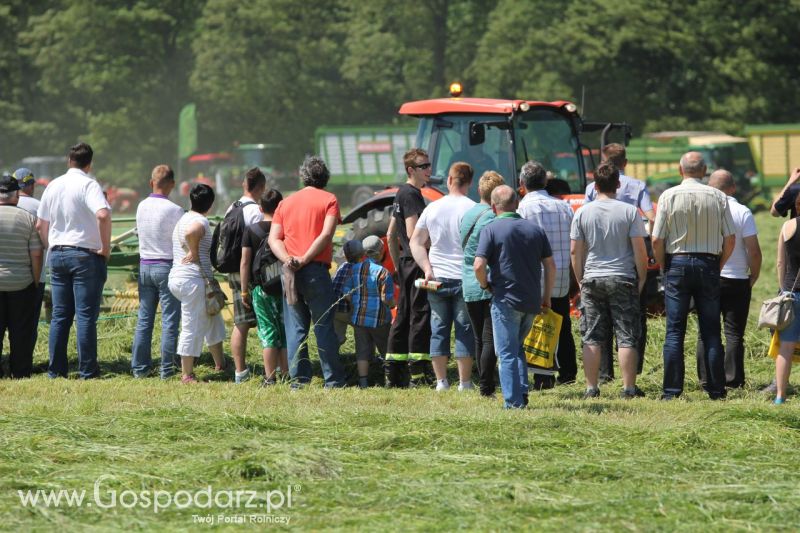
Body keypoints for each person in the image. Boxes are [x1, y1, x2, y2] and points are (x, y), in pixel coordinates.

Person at [652, 152, 735, 400]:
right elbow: (730, 238)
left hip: (676, 263)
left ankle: (671, 391)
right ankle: (717, 389)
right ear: (705, 170)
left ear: (680, 171)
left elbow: (656, 239)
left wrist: (663, 266)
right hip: (708, 262)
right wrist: (718, 264)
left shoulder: (668, 195)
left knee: (674, 331)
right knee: (710, 330)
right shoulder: (718, 196)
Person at [570, 162, 648, 399]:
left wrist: (580, 280)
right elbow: (639, 251)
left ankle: (592, 388)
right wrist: (641, 278)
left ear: (594, 186)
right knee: (626, 335)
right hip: (622, 277)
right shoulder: (629, 212)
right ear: (618, 184)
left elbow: (575, 252)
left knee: (592, 336)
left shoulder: (582, 212)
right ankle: (628, 388)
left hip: (592, 278)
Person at [474, 185, 556, 409]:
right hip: (531, 300)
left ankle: (513, 402)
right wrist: (546, 296)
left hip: (505, 299)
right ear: (516, 204)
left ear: (493, 207)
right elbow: (550, 266)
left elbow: (478, 265)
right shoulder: (535, 230)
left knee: (507, 353)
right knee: (518, 348)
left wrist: (485, 285)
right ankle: (522, 392)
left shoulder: (491, 229)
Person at [268, 156, 346, 388]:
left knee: (295, 329)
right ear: (325, 177)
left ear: (303, 176)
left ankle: (298, 381)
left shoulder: (285, 203)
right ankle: (332, 380)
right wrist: (305, 259)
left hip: (289, 272)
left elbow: (274, 238)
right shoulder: (329, 200)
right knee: (323, 326)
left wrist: (289, 259)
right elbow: (326, 235)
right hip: (315, 271)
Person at [37, 143, 111, 379]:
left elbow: (41, 224)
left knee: (60, 316)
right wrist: (105, 247)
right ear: (89, 164)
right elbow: (103, 214)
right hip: (84, 255)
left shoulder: (53, 185)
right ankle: (87, 370)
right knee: (86, 316)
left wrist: (51, 246)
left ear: (69, 160)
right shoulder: (89, 184)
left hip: (57, 253)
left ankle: (56, 370)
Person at [584, 143, 654, 382]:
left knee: (596, 328)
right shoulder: (637, 188)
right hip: (627, 264)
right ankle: (632, 375)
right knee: (630, 326)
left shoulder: (590, 191)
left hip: (596, 264)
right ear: (625, 162)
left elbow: (582, 230)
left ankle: (602, 376)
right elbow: (651, 217)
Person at [410, 162, 476, 391]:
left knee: (438, 329)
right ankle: (465, 383)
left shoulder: (432, 208)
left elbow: (415, 242)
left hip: (436, 278)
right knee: (464, 330)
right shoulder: (474, 209)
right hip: (463, 278)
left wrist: (427, 268)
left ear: (449, 180)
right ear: (469, 182)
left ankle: (441, 382)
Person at [696, 170, 761, 389]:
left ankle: (706, 378)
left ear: (710, 188)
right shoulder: (743, 212)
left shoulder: (702, 211)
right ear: (732, 188)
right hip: (737, 279)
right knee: (734, 333)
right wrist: (754, 274)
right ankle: (733, 380)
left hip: (708, 276)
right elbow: (753, 251)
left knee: (706, 331)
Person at [517, 160, 576, 387]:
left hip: (533, 278)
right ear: (545, 182)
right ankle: (568, 372)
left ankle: (543, 376)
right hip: (561, 276)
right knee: (563, 325)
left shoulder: (521, 209)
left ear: (522, 183)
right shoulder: (564, 207)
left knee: (535, 327)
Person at [168, 184, 226, 383]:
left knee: (213, 320)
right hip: (192, 280)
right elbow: (193, 232)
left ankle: (220, 364)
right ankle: (186, 374)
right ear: (210, 204)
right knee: (191, 325)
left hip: (180, 277)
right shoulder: (199, 220)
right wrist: (193, 250)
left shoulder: (183, 218)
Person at [384, 148, 433, 387]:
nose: (429, 170)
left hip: (405, 264)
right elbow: (414, 235)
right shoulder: (412, 194)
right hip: (415, 262)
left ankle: (393, 372)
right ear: (411, 170)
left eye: (429, 165)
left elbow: (391, 233)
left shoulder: (400, 193)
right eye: (424, 167)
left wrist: (397, 265)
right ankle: (418, 374)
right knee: (420, 315)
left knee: (402, 316)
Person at [131, 165, 184, 379]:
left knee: (144, 319)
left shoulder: (140, 206)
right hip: (166, 265)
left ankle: (139, 368)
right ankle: (166, 369)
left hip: (145, 265)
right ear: (172, 184)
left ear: (151, 182)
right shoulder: (175, 210)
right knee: (170, 320)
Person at [460, 171, 505, 397]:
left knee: (479, 338)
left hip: (467, 283)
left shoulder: (468, 214)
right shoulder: (492, 217)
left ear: (479, 190)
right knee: (490, 339)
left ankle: (484, 382)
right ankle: (488, 387)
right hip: (484, 282)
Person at [240, 188, 288, 387]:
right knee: (285, 331)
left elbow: (245, 262)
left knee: (268, 331)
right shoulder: (285, 229)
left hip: (261, 289)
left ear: (260, 208)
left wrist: (244, 290)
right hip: (285, 287)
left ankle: (270, 378)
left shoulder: (252, 230)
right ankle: (287, 374)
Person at [0, 174, 43, 377]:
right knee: (20, 332)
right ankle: (20, 372)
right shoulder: (28, 218)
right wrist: (35, 281)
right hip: (21, 284)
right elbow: (36, 254)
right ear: (16, 194)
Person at [227, 167, 267, 384]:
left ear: (244, 185)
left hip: (232, 271)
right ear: (261, 187)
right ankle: (271, 367)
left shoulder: (231, 207)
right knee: (263, 321)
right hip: (249, 274)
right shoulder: (255, 212)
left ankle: (240, 372)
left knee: (240, 323)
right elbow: (255, 250)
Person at [343, 235, 395, 388]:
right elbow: (386, 299)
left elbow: (346, 293)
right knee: (386, 349)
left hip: (359, 319)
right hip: (379, 319)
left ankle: (363, 382)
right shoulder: (383, 273)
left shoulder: (354, 270)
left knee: (362, 350)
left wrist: (356, 304)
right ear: (380, 251)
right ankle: (389, 380)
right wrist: (394, 305)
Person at [12, 167, 46, 346]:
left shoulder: (6, 205)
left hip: (7, 273)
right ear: (31, 185)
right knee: (28, 323)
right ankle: (24, 363)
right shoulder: (38, 206)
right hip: (35, 274)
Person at [773, 207, 800, 404]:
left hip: (792, 292)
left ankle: (780, 396)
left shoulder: (788, 225)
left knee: (786, 346)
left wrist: (783, 290)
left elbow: (780, 262)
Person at [332, 239, 364, 346]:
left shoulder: (342, 266)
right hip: (349, 309)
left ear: (345, 256)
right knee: (363, 332)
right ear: (362, 254)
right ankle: (366, 357)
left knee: (336, 337)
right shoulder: (360, 269)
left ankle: (332, 359)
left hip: (335, 308)